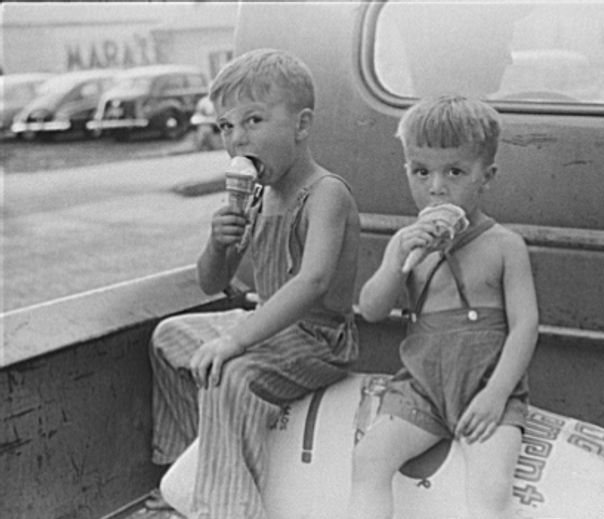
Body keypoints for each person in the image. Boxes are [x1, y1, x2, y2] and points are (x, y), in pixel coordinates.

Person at [148, 48, 360, 518]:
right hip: (267, 328)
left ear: (301, 126)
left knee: (230, 374)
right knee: (169, 338)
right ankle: (190, 466)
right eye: (226, 126)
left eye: (254, 120)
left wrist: (234, 341)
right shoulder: (259, 197)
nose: (237, 138)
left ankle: (230, 508)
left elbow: (313, 282)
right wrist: (218, 243)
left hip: (317, 340)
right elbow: (212, 283)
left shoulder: (325, 194)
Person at [347, 94, 539, 519]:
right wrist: (397, 261)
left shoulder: (505, 246)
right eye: (421, 172)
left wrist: (496, 395)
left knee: (490, 488)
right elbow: (371, 308)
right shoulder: (405, 243)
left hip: (486, 388)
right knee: (369, 461)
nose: (436, 187)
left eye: (455, 171)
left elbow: (526, 326)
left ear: (485, 176)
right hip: (422, 390)